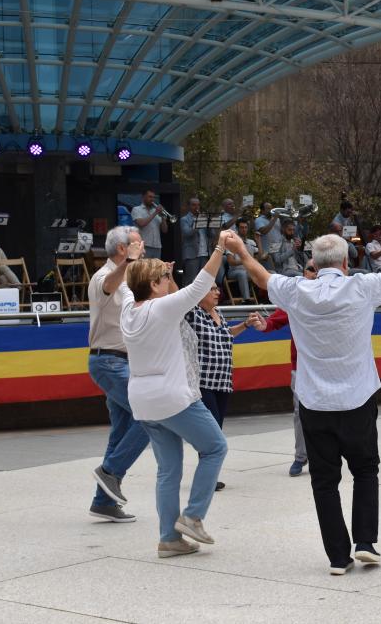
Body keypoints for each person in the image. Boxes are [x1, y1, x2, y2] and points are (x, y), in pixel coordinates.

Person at [225, 225, 381, 575]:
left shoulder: (297, 290)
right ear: (346, 261)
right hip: (357, 396)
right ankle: (365, 542)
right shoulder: (361, 286)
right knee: (365, 470)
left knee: (324, 481)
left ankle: (337, 557)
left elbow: (260, 276)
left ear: (313, 261)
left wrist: (240, 248)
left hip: (314, 401)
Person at [117, 232, 233, 557]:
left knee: (168, 470)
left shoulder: (129, 310)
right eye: (166, 277)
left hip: (143, 401)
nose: (170, 279)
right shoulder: (163, 309)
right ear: (154, 285)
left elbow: (128, 285)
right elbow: (200, 286)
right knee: (214, 449)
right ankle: (193, 517)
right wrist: (221, 248)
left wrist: (136, 259)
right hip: (173, 397)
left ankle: (169, 538)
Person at [87, 226, 149, 523]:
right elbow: (109, 285)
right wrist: (128, 264)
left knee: (121, 431)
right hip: (109, 362)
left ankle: (103, 501)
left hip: (124, 362)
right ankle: (109, 472)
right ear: (123, 249)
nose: (144, 247)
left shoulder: (130, 277)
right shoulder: (105, 275)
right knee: (149, 416)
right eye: (138, 243)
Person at [248, 261, 320, 476]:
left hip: (331, 366)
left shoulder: (337, 294)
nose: (314, 273)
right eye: (310, 269)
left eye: (318, 269)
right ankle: (301, 456)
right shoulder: (295, 297)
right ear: (304, 273)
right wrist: (263, 324)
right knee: (301, 412)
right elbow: (273, 322)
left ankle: (325, 454)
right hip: (302, 367)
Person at [185, 283, 257, 491]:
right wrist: (171, 276)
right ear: (199, 294)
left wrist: (245, 324)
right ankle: (207, 477)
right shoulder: (194, 313)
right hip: (205, 382)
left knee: (215, 430)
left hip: (223, 382)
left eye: (218, 289)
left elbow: (226, 335)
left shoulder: (219, 312)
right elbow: (175, 293)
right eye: (212, 289)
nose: (218, 292)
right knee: (211, 430)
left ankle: (208, 473)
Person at [224, 219, 259, 302]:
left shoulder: (251, 242)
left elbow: (259, 258)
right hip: (235, 271)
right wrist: (245, 261)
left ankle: (271, 299)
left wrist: (259, 241)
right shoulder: (231, 242)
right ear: (237, 229)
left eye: (246, 227)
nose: (244, 229)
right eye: (241, 227)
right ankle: (246, 299)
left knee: (268, 272)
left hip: (249, 271)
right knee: (242, 273)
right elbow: (230, 261)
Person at [129, 190, 168, 259]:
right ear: (143, 197)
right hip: (144, 246)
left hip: (157, 246)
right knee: (145, 269)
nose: (152, 199)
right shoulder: (136, 209)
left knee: (156, 269)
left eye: (153, 197)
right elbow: (142, 223)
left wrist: (163, 218)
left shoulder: (155, 211)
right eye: (150, 197)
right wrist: (155, 212)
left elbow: (164, 230)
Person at [180, 198, 211, 286]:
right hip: (192, 254)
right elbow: (187, 233)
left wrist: (209, 224)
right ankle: (186, 300)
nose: (196, 207)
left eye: (198, 205)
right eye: (193, 205)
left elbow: (211, 235)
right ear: (189, 206)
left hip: (204, 254)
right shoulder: (184, 219)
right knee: (190, 281)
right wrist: (198, 222)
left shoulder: (204, 218)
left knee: (204, 281)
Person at [254, 203, 283, 271]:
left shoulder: (277, 219)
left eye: (271, 208)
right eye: (268, 208)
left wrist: (283, 220)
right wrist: (274, 219)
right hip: (268, 253)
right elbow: (264, 231)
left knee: (280, 272)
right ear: (262, 210)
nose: (271, 210)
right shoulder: (259, 220)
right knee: (272, 273)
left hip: (279, 250)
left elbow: (282, 232)